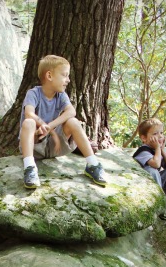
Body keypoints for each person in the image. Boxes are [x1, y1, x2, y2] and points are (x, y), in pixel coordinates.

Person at [19, 54, 107, 189]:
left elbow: (71, 111)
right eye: (65, 75)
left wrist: (50, 126)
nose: (68, 80)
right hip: (36, 145)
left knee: (73, 121)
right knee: (29, 122)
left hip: (55, 146)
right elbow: (29, 113)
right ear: (49, 76)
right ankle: (30, 168)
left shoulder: (61, 95)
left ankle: (92, 164)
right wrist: (42, 125)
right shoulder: (34, 93)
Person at [133, 118, 166, 221]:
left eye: (161, 133)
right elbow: (156, 164)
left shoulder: (158, 149)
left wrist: (162, 149)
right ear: (144, 138)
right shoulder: (143, 151)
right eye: (155, 134)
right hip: (143, 185)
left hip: (155, 184)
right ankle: (160, 205)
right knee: (152, 170)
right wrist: (158, 148)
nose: (160, 136)